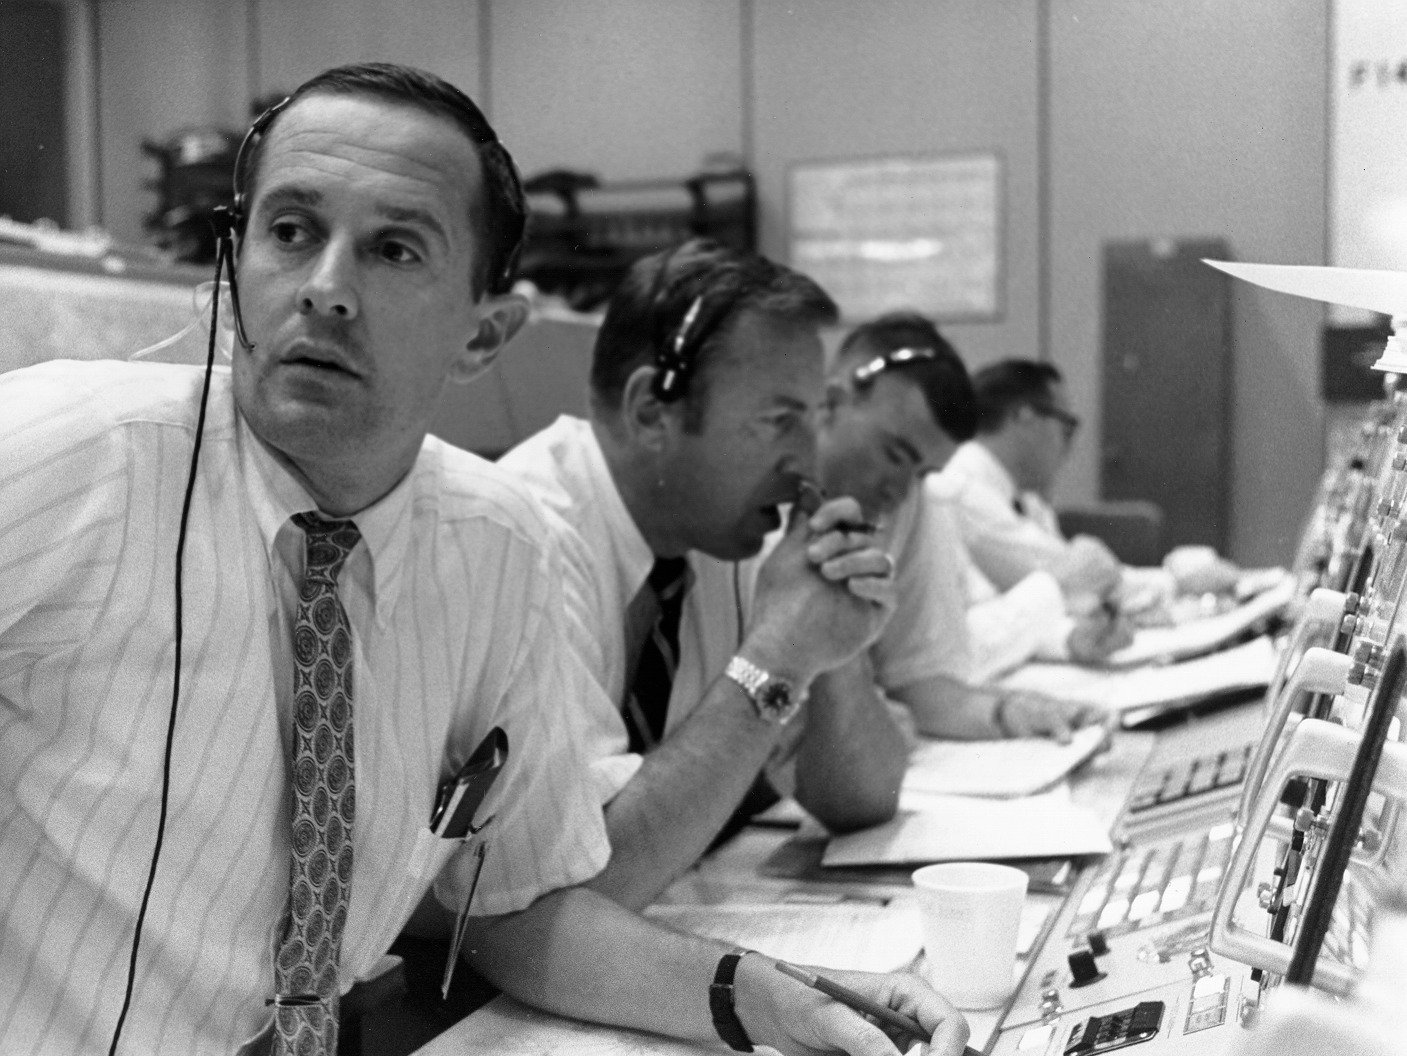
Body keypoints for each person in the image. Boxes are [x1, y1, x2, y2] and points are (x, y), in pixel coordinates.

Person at [0, 63, 967, 1056]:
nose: (327, 290)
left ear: (485, 333)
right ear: (233, 264)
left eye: (393, 249)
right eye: (290, 232)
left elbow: (520, 908)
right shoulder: (72, 453)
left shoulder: (492, 546)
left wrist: (775, 999)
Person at [498, 239, 911, 913]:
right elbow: (578, 892)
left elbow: (862, 801)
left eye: (813, 421)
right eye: (778, 421)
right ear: (650, 412)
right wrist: (776, 656)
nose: (807, 464)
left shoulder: (731, 530)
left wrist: (829, 645)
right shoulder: (524, 541)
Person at [807, 312, 1109, 742]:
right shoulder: (749, 510)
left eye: (921, 470)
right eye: (893, 454)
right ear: (831, 404)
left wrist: (1013, 712)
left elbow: (923, 686)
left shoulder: (914, 499)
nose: (898, 489)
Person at [930, 359, 1240, 623]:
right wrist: (1177, 582)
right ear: (1024, 417)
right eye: (1066, 426)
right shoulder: (963, 487)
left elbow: (1081, 579)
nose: (1067, 447)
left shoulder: (1023, 494)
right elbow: (1072, 579)